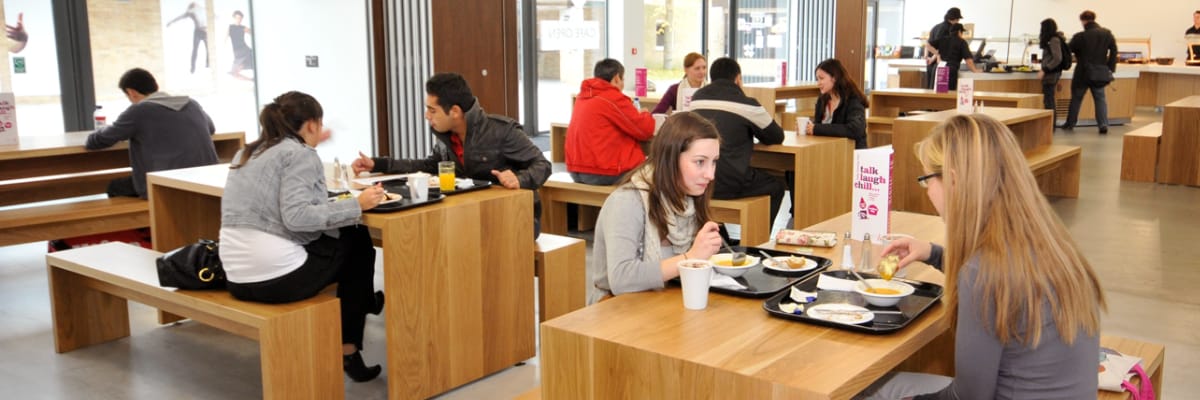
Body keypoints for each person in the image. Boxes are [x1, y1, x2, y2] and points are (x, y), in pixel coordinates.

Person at [857, 114, 1105, 399]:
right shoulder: (1051, 243)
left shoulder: (982, 272)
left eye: (927, 180)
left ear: (952, 180)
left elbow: (967, 396)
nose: (927, 192)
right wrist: (932, 253)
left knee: (869, 391)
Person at [219, 91, 387, 383]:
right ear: (311, 125)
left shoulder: (247, 152)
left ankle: (364, 302)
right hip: (275, 281)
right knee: (358, 240)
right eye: (319, 126)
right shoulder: (300, 154)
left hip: (234, 275)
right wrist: (357, 205)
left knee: (346, 240)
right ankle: (349, 347)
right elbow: (297, 217)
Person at [352, 73, 551, 237]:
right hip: (466, 215)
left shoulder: (502, 131)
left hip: (514, 217)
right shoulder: (447, 137)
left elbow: (543, 164)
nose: (426, 116)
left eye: (432, 110)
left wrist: (519, 179)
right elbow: (427, 167)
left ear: (455, 111)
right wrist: (377, 164)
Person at [589, 112, 724, 303]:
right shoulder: (627, 201)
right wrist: (690, 257)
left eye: (714, 162)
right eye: (700, 162)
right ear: (671, 158)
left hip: (666, 302)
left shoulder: (688, 200)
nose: (710, 174)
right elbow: (621, 278)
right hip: (616, 310)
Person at [85, 68, 217, 198]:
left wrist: (103, 130)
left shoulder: (139, 111)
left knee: (114, 186)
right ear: (155, 86)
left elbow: (96, 141)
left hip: (165, 183)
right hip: (206, 180)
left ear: (131, 92)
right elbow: (210, 128)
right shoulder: (191, 104)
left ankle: (143, 219)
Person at [690, 57, 786, 229]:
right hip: (728, 182)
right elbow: (776, 136)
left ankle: (720, 236)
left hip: (698, 179)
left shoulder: (696, 99)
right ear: (738, 79)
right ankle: (760, 243)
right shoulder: (747, 105)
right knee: (777, 186)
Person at [566, 58, 656, 185]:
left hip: (576, 170)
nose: (623, 84)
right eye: (623, 79)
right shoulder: (612, 97)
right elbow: (645, 130)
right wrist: (645, 113)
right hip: (603, 172)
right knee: (654, 172)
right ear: (616, 78)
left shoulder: (583, 96)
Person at [1064, 10, 1117, 134]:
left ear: (1083, 21)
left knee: (1076, 98)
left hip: (1082, 73)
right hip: (1099, 73)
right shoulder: (1107, 34)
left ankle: (1070, 123)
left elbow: (1067, 50)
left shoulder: (1080, 36)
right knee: (1100, 99)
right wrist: (1109, 68)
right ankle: (1103, 124)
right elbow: (1114, 51)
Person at [807, 58, 870, 149]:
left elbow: (855, 130)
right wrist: (809, 127)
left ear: (834, 78)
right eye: (817, 79)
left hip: (850, 152)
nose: (818, 83)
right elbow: (818, 125)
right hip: (829, 150)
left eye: (821, 78)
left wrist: (816, 128)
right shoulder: (822, 99)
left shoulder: (853, 99)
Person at [932, 23, 981, 89]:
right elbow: (968, 60)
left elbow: (929, 45)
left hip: (939, 68)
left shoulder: (943, 39)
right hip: (950, 70)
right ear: (959, 32)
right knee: (948, 94)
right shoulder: (961, 42)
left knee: (938, 93)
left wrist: (936, 56)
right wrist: (975, 70)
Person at [1037, 18, 1068, 124]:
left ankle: (1050, 124)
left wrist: (1045, 69)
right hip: (1053, 74)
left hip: (1050, 74)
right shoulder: (1054, 39)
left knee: (1048, 100)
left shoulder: (1054, 40)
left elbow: (1057, 58)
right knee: (1049, 99)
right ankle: (1050, 123)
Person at [924, 8, 963, 89]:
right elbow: (941, 47)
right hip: (940, 63)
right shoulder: (948, 29)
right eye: (958, 19)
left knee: (931, 89)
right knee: (941, 90)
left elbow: (927, 43)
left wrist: (927, 57)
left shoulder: (936, 26)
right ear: (954, 19)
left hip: (931, 64)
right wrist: (935, 56)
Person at [166, 2, 208, 74]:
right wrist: (171, 22)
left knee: (201, 49)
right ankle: (194, 67)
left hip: (203, 31)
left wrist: (171, 22)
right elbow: (180, 17)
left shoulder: (200, 9)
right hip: (200, 31)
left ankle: (202, 65)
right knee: (197, 49)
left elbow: (180, 17)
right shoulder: (192, 11)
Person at [227, 10, 254, 81]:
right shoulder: (230, 27)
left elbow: (253, 32)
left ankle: (253, 79)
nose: (238, 20)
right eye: (237, 18)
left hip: (244, 51)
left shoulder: (243, 28)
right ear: (233, 18)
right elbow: (224, 39)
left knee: (252, 64)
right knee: (234, 73)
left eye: (240, 18)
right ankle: (252, 80)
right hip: (237, 52)